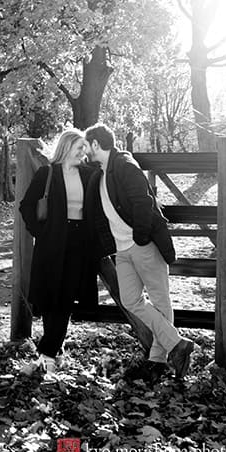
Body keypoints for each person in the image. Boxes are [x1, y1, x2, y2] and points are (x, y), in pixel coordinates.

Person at [85, 123, 194, 382]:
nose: (85, 151)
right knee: (131, 299)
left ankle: (157, 361)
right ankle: (177, 344)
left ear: (97, 145)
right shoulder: (100, 171)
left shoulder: (124, 165)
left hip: (142, 245)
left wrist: (141, 238)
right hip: (122, 252)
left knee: (160, 301)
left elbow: (143, 201)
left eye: (87, 146)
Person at [19, 129, 98, 375]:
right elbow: (26, 206)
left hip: (79, 242)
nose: (83, 153)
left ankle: (47, 353)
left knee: (65, 297)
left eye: (85, 148)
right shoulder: (47, 173)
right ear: (66, 148)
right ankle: (54, 353)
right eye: (79, 148)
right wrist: (40, 232)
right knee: (50, 297)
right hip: (51, 242)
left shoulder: (89, 173)